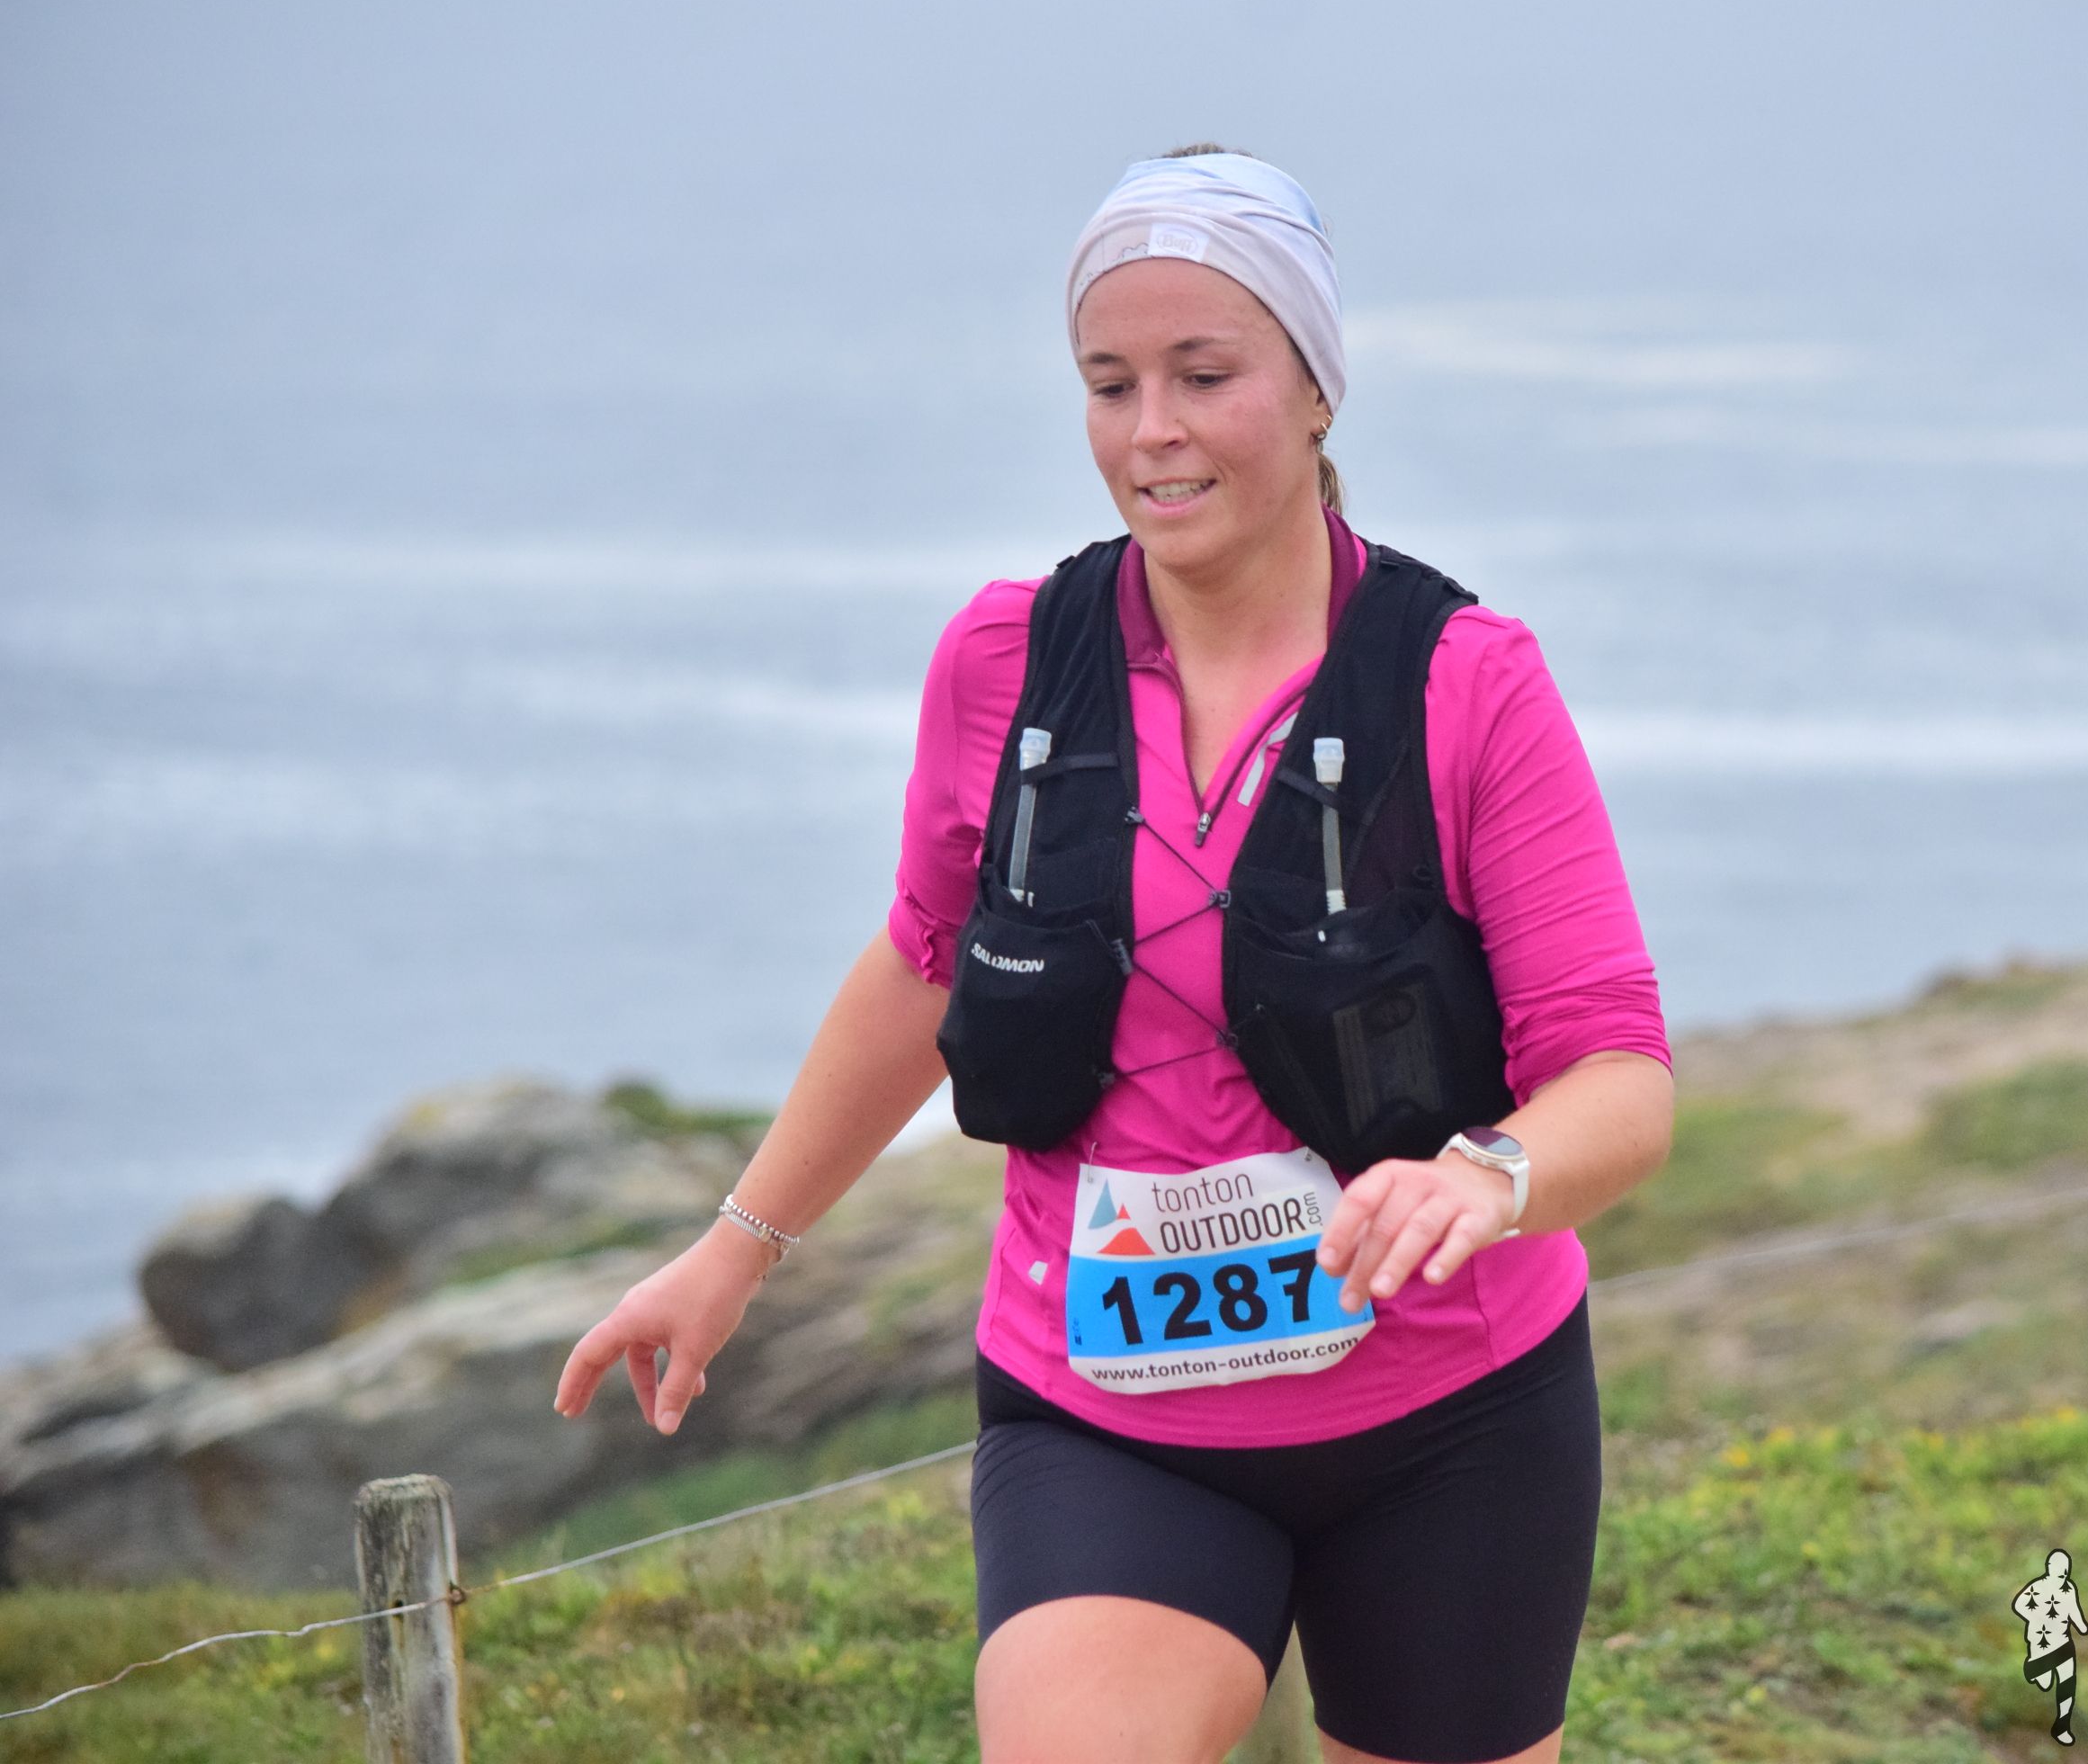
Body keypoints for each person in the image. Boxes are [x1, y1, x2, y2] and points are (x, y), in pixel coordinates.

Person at [555, 144, 1676, 1764]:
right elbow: (925, 967)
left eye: (1204, 376)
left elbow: (1618, 1078)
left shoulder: (1468, 682)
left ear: (1317, 389)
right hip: (1107, 1421)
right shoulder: (1004, 663)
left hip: (1452, 1421)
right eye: (1109, 383)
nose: (1152, 429)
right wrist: (733, 1247)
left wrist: (1487, 1178)